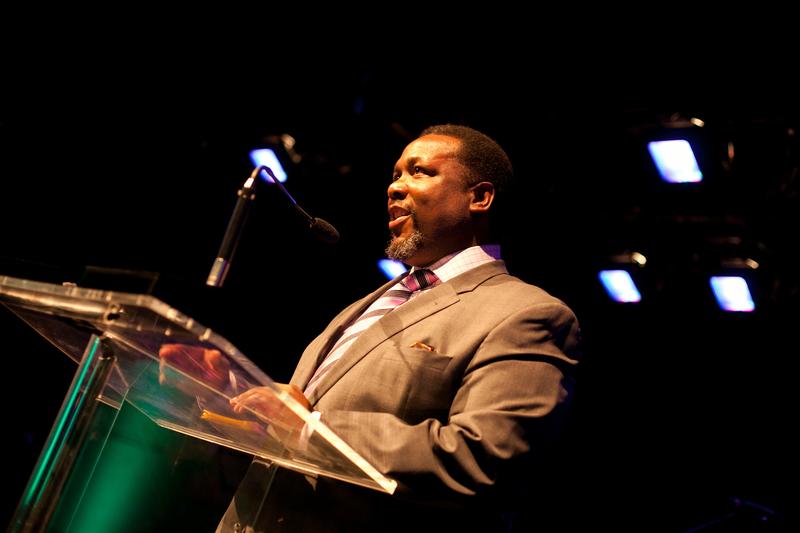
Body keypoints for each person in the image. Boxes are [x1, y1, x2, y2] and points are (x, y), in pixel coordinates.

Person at [165, 124, 581, 532]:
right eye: (396, 174)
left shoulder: (525, 313)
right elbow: (293, 424)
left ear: (480, 197)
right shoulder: (367, 305)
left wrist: (310, 428)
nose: (395, 187)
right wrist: (230, 394)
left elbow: (485, 457)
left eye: (420, 172)